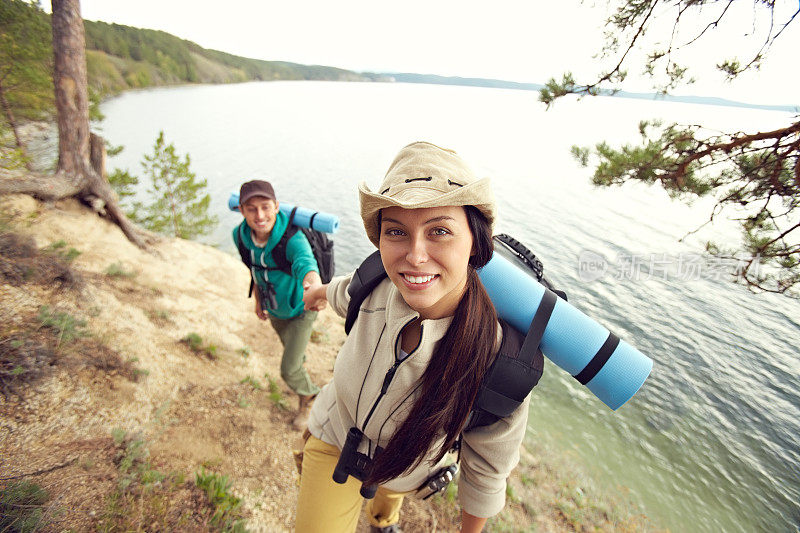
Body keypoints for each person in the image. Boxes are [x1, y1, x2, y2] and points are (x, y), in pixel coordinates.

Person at [297, 142, 533, 533]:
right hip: (335, 434)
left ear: (475, 240)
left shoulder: (499, 360)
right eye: (396, 232)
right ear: (380, 239)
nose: (416, 256)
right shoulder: (374, 285)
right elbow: (341, 292)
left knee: (389, 496)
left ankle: (382, 520)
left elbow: (488, 469)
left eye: (439, 230)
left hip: (408, 466)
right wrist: (315, 294)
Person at [233, 179, 323, 430]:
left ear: (276, 206)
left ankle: (310, 396)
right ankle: (301, 378)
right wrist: (258, 300)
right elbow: (254, 268)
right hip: (275, 310)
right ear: (241, 210)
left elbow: (306, 263)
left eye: (265, 207)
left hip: (301, 309)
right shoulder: (239, 236)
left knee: (289, 368)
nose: (259, 215)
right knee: (295, 355)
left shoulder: (291, 239)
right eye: (251, 209)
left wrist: (314, 287)